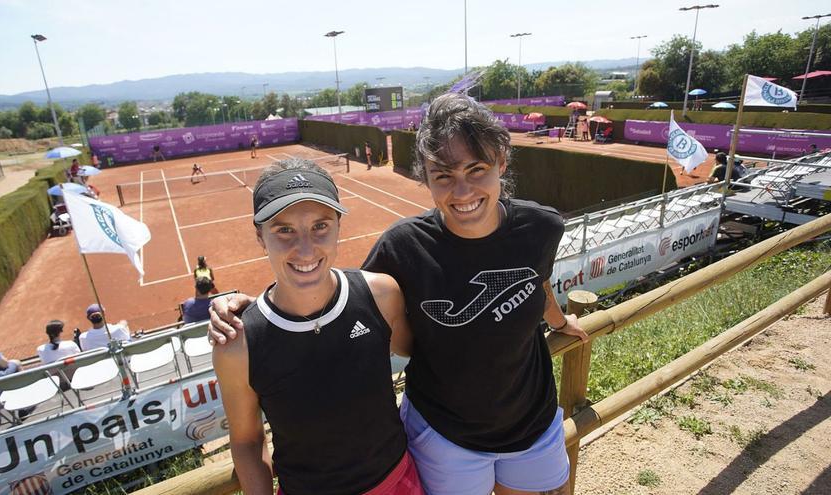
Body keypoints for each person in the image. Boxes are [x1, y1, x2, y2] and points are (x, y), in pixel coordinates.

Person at [211, 94, 589, 495]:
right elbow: (326, 289)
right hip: (446, 436)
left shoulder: (541, 226)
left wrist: (560, 322)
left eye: (476, 169)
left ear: (502, 163)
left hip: (529, 426)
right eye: (443, 175)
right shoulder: (401, 247)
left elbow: (538, 281)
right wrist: (254, 313)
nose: (462, 191)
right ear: (426, 177)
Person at [212, 158, 422, 495]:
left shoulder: (382, 295)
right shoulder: (237, 344)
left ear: (339, 226)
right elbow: (247, 441)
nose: (306, 249)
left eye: (320, 226)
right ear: (260, 236)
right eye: (284, 230)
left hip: (400, 483)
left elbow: (421, 354)